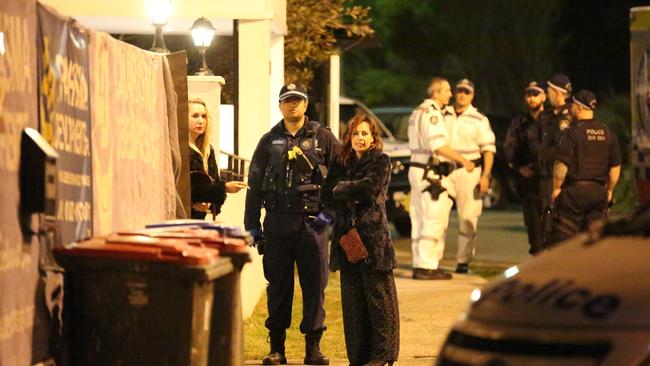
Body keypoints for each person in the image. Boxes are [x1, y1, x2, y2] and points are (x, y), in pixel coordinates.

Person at [244, 84, 339, 365]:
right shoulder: (269, 140)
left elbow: (340, 179)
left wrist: (327, 217)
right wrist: (252, 227)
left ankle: (313, 349)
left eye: (298, 101)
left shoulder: (323, 137)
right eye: (287, 101)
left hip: (312, 224)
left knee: (314, 287)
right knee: (278, 287)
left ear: (306, 105)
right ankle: (277, 349)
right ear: (280, 105)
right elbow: (254, 185)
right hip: (277, 223)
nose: (293, 105)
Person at [321, 115, 399, 366]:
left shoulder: (380, 161)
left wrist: (341, 188)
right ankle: (358, 356)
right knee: (353, 304)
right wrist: (342, 189)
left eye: (365, 134)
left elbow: (368, 189)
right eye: (356, 134)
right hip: (347, 238)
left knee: (379, 299)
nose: (360, 138)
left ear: (373, 137)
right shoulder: (341, 161)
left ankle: (383, 354)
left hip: (373, 239)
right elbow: (326, 195)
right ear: (349, 137)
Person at [408, 77, 476, 280]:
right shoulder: (432, 114)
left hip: (418, 169)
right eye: (446, 90)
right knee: (434, 218)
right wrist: (463, 160)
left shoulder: (417, 111)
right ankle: (427, 266)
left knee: (419, 218)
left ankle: (421, 263)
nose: (450, 94)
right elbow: (438, 146)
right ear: (436, 93)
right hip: (429, 172)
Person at [548, 90, 622, 245]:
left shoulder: (571, 133)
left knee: (563, 239)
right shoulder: (608, 133)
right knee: (594, 241)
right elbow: (615, 167)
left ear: (580, 108)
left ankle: (568, 268)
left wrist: (556, 188)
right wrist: (609, 191)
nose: (571, 109)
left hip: (574, 194)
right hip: (598, 193)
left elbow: (561, 164)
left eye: (573, 105)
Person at [442, 78, 496, 273]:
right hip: (444, 170)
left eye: (466, 91)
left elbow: (488, 149)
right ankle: (432, 261)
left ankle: (463, 261)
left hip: (470, 170)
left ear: (472, 95)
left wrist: (486, 175)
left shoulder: (479, 119)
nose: (462, 94)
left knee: (468, 217)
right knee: (438, 218)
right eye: (459, 90)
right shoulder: (443, 114)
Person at [503, 81, 546, 255]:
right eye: (528, 94)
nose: (531, 98)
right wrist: (519, 169)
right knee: (534, 231)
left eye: (535, 94)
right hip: (528, 183)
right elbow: (509, 148)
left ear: (543, 96)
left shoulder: (552, 120)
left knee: (552, 230)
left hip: (549, 180)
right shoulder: (519, 122)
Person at [188, 97, 247, 219]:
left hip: (199, 219)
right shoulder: (182, 150)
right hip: (181, 218)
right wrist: (224, 188)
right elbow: (186, 188)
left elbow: (214, 183)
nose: (201, 121)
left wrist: (208, 203)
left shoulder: (208, 150)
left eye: (203, 116)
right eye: (195, 116)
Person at [538, 74, 573, 243]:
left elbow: (561, 148)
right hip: (545, 176)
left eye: (549, 91)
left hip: (560, 179)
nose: (547, 94)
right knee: (546, 222)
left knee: (558, 223)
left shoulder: (568, 116)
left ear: (558, 93)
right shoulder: (549, 115)